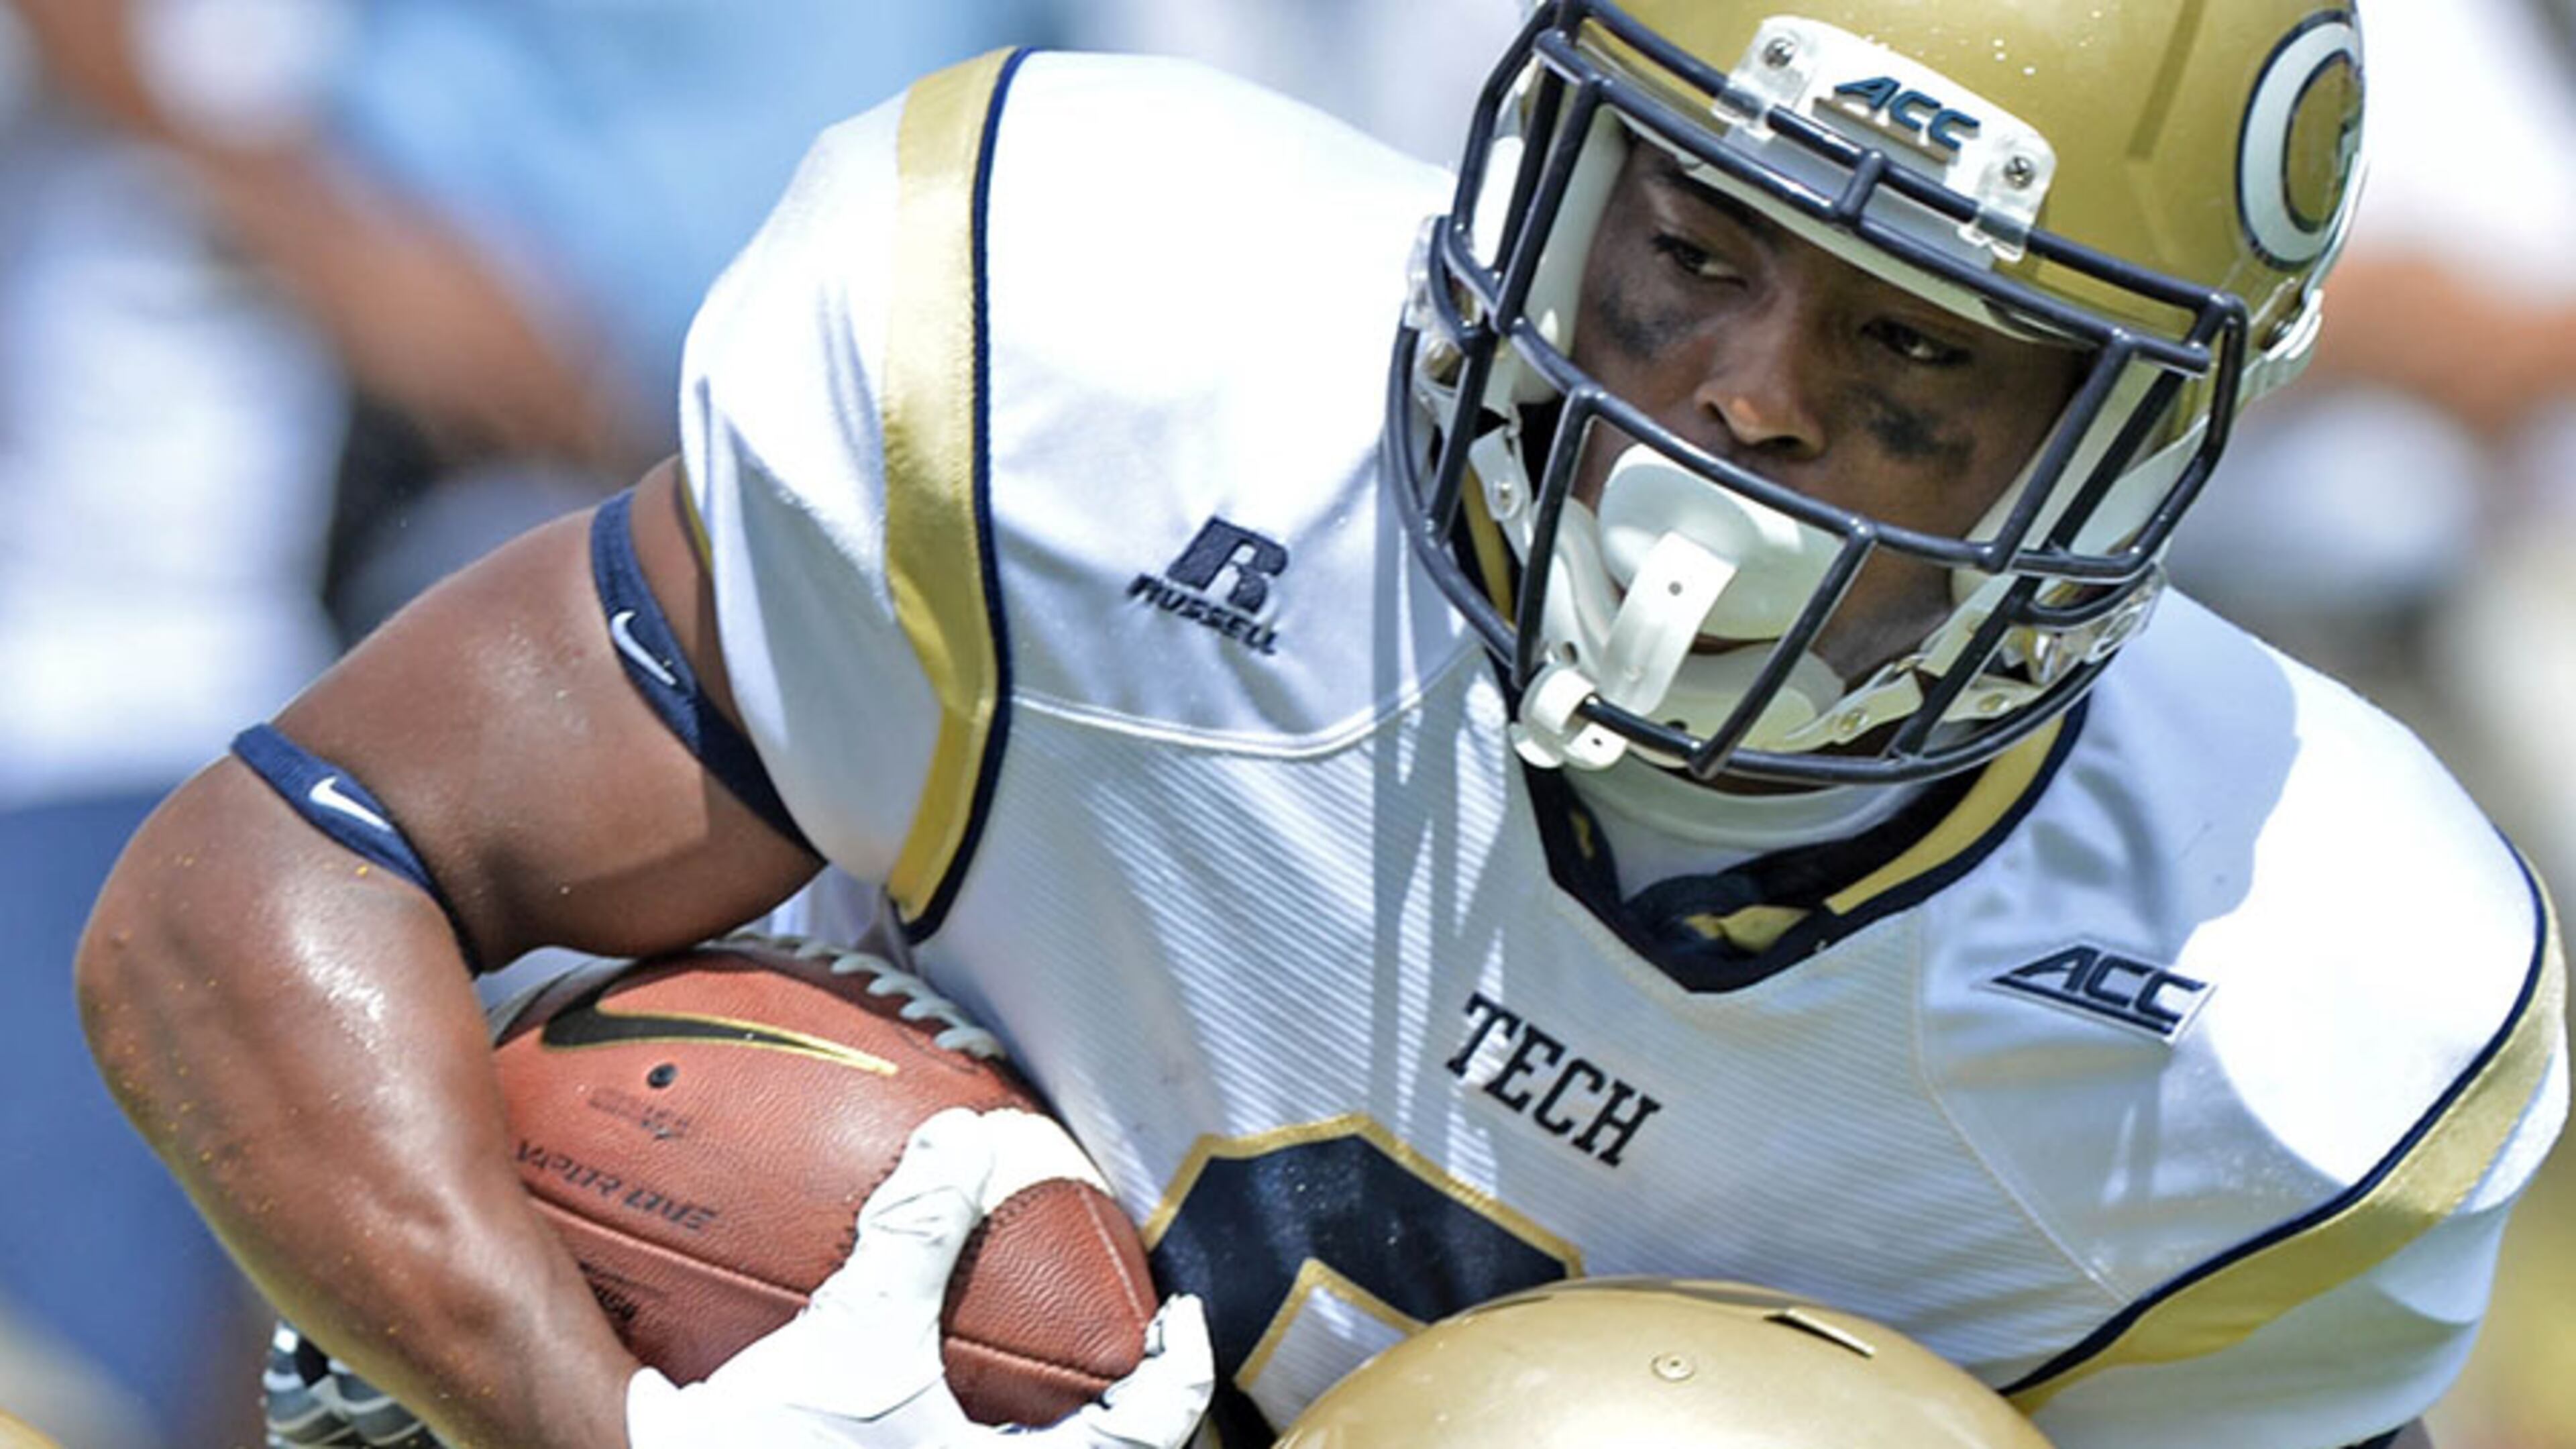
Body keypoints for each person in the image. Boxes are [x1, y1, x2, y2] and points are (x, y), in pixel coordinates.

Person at [74, 3, 2565, 1448]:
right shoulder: (1088, 369)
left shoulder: (2277, 1023)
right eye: (1684, 254)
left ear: (2133, 446)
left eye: (1914, 358)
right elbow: (264, 879)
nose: (1743, 409)